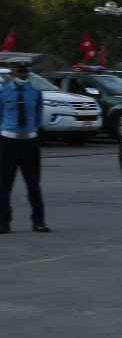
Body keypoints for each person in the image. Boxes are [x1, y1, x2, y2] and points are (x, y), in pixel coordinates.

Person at [0, 58, 49, 233]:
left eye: (24, 71)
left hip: (29, 143)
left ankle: (39, 221)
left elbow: (37, 117)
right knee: (4, 185)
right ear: (13, 73)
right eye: (19, 71)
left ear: (28, 73)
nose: (22, 74)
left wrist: (32, 134)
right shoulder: (3, 92)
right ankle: (3, 222)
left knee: (33, 184)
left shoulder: (35, 93)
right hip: (8, 142)